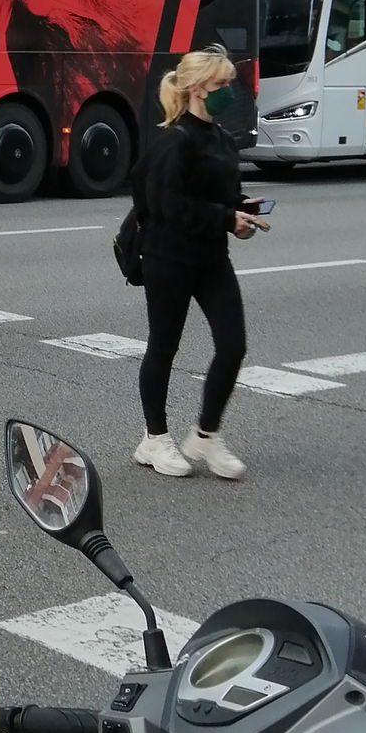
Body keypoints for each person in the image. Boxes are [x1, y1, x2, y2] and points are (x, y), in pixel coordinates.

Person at [133, 45, 266, 481]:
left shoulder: (222, 139)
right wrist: (225, 218)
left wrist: (242, 212)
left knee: (233, 344)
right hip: (168, 257)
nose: (229, 91)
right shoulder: (174, 140)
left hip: (211, 258)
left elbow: (222, 195)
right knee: (163, 346)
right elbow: (165, 204)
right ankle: (154, 439)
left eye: (230, 83)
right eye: (220, 84)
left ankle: (206, 435)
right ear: (195, 88)